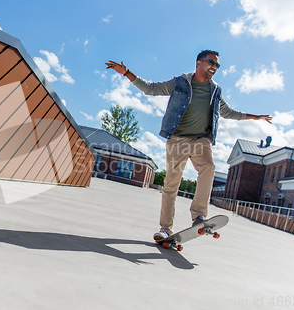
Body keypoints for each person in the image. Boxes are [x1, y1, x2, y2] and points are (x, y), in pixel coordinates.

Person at [105, 50, 272, 241]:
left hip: (202, 140)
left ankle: (199, 215)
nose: (214, 67)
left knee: (208, 167)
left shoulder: (215, 90)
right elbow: (151, 89)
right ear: (198, 63)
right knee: (171, 184)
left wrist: (255, 116)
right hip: (178, 139)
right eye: (211, 63)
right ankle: (165, 229)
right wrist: (127, 73)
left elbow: (228, 112)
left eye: (217, 65)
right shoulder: (180, 82)